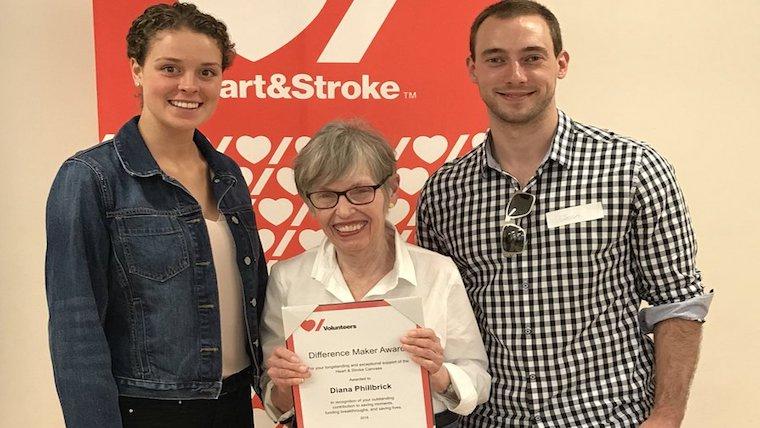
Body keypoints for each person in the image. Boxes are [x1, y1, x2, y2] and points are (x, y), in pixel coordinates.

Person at [416, 1, 713, 427]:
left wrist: (666, 416)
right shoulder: (445, 194)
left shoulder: (632, 169)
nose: (515, 75)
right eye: (496, 59)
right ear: (473, 69)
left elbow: (679, 303)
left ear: (561, 63)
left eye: (532, 58)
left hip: (608, 418)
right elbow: (444, 326)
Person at [45, 3, 267, 427]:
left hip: (234, 401)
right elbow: (76, 326)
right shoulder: (90, 178)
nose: (190, 85)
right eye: (170, 68)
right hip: (146, 410)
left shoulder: (228, 173)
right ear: (137, 70)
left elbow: (256, 292)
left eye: (207, 71)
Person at [260, 121, 490, 428]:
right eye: (326, 196)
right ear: (309, 203)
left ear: (392, 189)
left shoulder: (437, 272)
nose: (343, 212)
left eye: (360, 191)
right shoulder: (287, 279)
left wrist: (438, 373)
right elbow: (274, 400)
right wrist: (284, 386)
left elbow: (478, 380)